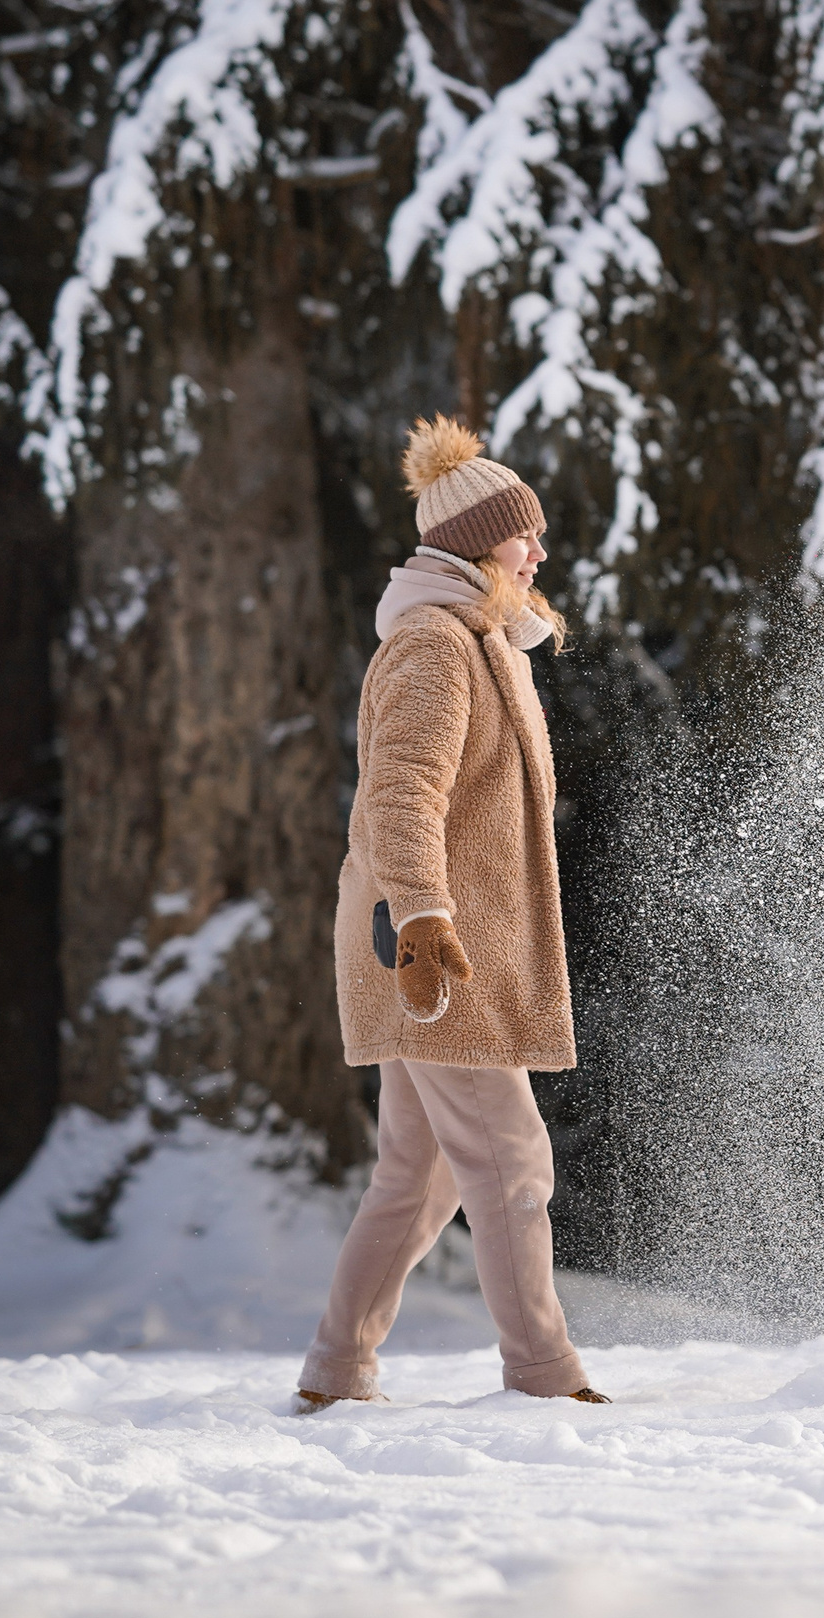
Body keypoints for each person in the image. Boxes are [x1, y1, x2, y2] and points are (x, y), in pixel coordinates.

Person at [294, 416, 606, 1412]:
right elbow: (402, 797)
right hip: (432, 952)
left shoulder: (481, 640)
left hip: (445, 947)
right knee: (512, 1162)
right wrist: (425, 919)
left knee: (417, 1179)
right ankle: (543, 1375)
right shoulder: (434, 645)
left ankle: (337, 1373)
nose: (540, 552)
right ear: (476, 547)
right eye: (525, 537)